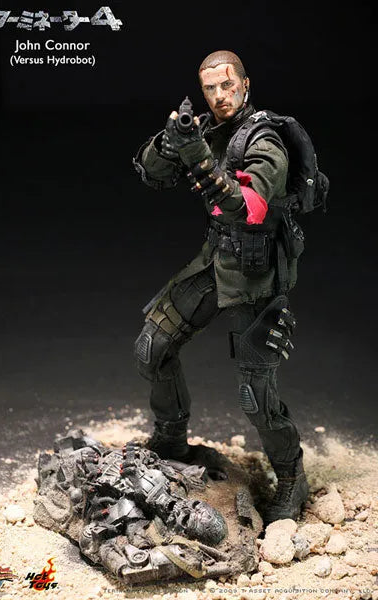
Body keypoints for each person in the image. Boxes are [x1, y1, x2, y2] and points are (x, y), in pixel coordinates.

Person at [132, 50, 310, 526]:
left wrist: (198, 157)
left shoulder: (265, 139)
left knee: (255, 394)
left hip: (256, 273)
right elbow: (151, 173)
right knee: (153, 346)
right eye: (209, 89)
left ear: (245, 84)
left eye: (227, 86)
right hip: (216, 261)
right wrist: (170, 141)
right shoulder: (208, 129)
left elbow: (248, 208)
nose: (219, 96)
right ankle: (171, 440)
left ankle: (291, 477)